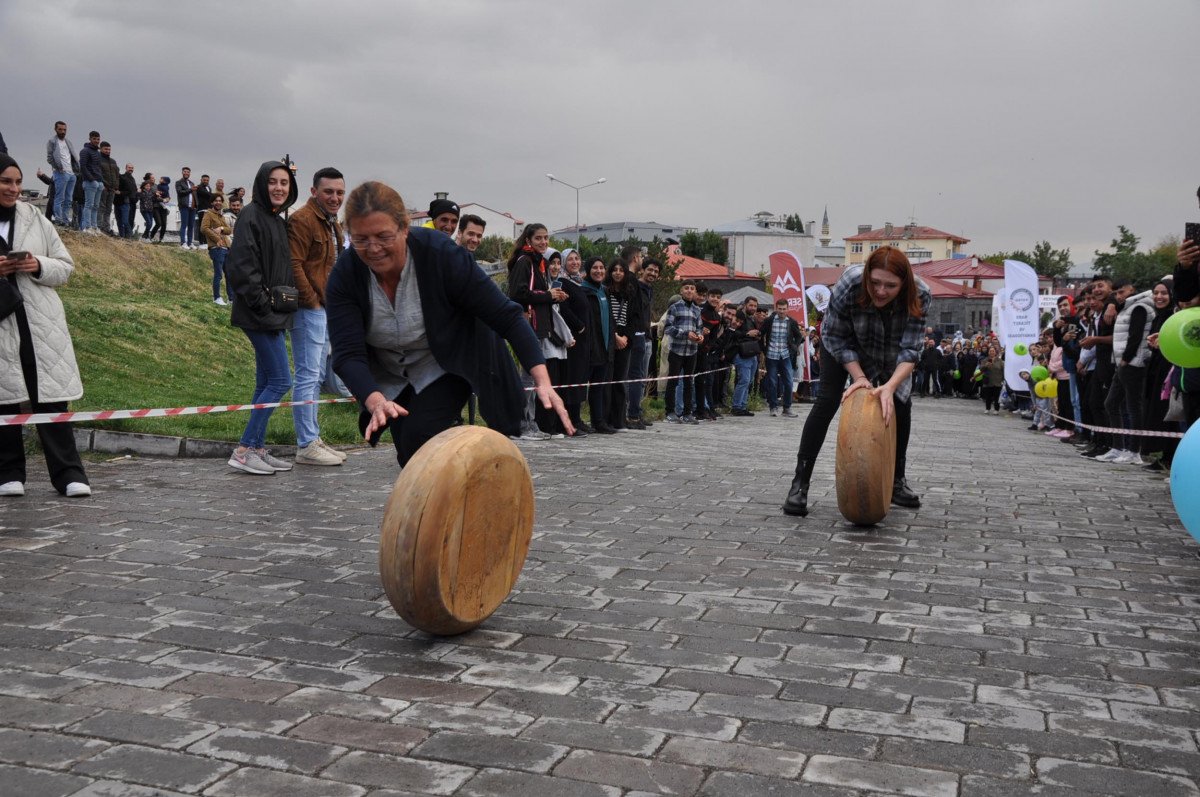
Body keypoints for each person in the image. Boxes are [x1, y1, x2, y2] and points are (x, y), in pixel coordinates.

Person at [326, 181, 571, 466]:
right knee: (407, 449)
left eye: (383, 236)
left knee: (420, 437)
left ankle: (462, 493)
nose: (373, 248)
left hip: (445, 363)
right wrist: (373, 399)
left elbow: (506, 315)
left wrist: (542, 380)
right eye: (361, 239)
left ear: (405, 228)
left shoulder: (441, 254)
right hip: (391, 375)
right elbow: (347, 354)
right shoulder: (345, 274)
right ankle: (444, 493)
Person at [782, 246, 931, 517]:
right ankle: (799, 484)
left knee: (900, 403)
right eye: (874, 283)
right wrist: (860, 377)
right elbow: (835, 336)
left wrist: (890, 386)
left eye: (890, 285)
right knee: (827, 401)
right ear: (866, 277)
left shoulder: (921, 294)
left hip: (889, 351)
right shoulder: (850, 283)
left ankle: (897, 481)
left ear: (904, 284)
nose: (881, 291)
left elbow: (911, 350)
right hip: (843, 344)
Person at [0, 154, 91, 498]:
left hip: (40, 323)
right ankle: (8, 472)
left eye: (17, 181)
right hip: (2, 324)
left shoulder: (35, 218)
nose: (14, 188)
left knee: (51, 400)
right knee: (4, 396)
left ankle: (69, 473)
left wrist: (36, 264)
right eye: (6, 181)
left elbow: (65, 267)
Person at [224, 161, 299, 475]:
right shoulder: (251, 215)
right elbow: (241, 266)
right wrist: (263, 304)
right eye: (273, 182)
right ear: (261, 184)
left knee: (265, 382)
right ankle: (243, 450)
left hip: (274, 314)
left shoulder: (277, 220)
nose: (279, 187)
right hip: (259, 314)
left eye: (284, 182)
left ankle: (256, 447)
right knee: (282, 380)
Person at [288, 167, 347, 466]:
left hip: (324, 307)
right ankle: (306, 443)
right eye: (329, 192)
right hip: (308, 309)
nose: (335, 197)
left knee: (317, 375)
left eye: (339, 192)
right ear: (314, 192)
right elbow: (294, 263)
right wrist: (311, 302)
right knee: (308, 375)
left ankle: (313, 438)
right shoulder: (303, 219)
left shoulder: (331, 222)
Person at [506, 223, 568, 440]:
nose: (543, 242)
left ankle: (530, 423)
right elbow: (518, 294)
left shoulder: (538, 262)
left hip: (538, 326)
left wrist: (553, 297)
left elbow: (538, 293)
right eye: (539, 238)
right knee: (528, 377)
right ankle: (523, 424)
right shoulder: (524, 262)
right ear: (528, 241)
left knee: (532, 379)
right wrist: (548, 296)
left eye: (546, 238)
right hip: (528, 327)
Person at [579, 255, 617, 434]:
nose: (599, 271)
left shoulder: (604, 291)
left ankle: (598, 421)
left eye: (602, 268)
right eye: (595, 268)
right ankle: (576, 420)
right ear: (587, 270)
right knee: (580, 387)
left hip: (604, 347)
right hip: (588, 347)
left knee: (599, 387)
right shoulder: (583, 291)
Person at [663, 280, 703, 424]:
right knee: (673, 381)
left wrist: (700, 336)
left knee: (688, 382)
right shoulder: (674, 307)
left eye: (692, 288)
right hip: (677, 350)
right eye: (686, 288)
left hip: (692, 351)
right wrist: (686, 333)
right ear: (681, 291)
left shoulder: (697, 310)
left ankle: (687, 413)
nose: (689, 291)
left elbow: (699, 327)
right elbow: (668, 328)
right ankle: (670, 411)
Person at [603, 256, 636, 430]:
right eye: (615, 270)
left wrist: (625, 338)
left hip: (626, 340)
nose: (617, 273)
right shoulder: (605, 291)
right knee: (607, 380)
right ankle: (606, 419)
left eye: (621, 270)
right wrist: (614, 336)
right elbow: (606, 316)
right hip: (609, 338)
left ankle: (619, 419)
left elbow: (635, 318)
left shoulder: (631, 292)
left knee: (620, 381)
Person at [626, 258, 658, 428]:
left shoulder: (650, 290)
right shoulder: (636, 286)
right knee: (634, 377)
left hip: (647, 337)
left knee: (642, 379)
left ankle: (637, 412)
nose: (652, 273)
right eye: (650, 270)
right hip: (636, 336)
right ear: (642, 270)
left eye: (656, 272)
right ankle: (630, 415)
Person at [761, 298, 803, 418]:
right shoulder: (769, 320)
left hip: (785, 355)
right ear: (776, 308)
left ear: (788, 309)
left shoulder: (792, 322)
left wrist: (794, 347)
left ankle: (787, 408)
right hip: (771, 355)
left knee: (789, 382)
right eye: (780, 309)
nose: (782, 311)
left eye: (784, 309)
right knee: (773, 382)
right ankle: (773, 407)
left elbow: (799, 336)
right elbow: (761, 333)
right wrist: (763, 349)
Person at [200, 193, 232, 304]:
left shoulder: (221, 215)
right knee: (218, 275)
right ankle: (216, 297)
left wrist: (221, 228)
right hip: (216, 248)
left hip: (226, 248)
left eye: (220, 201)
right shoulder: (208, 214)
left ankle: (231, 298)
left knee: (229, 274)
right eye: (216, 201)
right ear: (212, 202)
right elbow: (204, 228)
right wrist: (217, 238)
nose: (218, 202)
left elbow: (229, 230)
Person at [45, 121, 78, 225]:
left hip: (71, 173)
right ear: (55, 129)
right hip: (60, 173)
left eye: (64, 130)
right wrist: (58, 168)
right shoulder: (52, 141)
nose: (63, 131)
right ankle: (58, 219)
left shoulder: (68, 142)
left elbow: (72, 156)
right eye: (60, 129)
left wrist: (75, 170)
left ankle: (65, 220)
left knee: (69, 199)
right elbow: (49, 158)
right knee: (59, 198)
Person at [78, 131, 103, 233]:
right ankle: (87, 227)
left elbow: (98, 167)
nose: (96, 141)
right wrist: (91, 180)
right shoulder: (85, 151)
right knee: (89, 205)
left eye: (98, 139)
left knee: (96, 206)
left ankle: (94, 226)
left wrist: (101, 181)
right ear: (90, 139)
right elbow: (83, 167)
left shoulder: (97, 152)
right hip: (90, 182)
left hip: (98, 182)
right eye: (94, 139)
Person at [176, 166, 197, 249]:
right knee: (184, 224)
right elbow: (180, 192)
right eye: (185, 171)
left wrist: (196, 205)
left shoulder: (192, 183)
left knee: (191, 225)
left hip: (192, 207)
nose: (186, 173)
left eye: (188, 172)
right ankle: (183, 242)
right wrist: (190, 189)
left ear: (189, 173)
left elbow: (194, 194)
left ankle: (190, 242)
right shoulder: (179, 182)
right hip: (184, 206)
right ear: (182, 172)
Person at [116, 163, 138, 238]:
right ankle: (123, 236)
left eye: (132, 168)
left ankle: (128, 237)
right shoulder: (122, 177)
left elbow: (133, 191)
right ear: (126, 168)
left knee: (129, 220)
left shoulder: (132, 179)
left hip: (131, 202)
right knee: (121, 221)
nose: (131, 169)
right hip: (122, 201)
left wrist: (136, 199)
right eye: (129, 167)